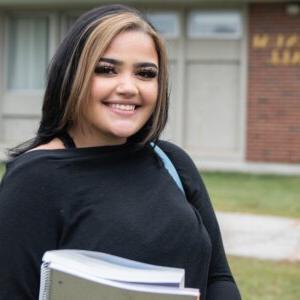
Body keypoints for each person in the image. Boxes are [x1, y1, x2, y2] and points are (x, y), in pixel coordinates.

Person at [0, 4, 241, 300]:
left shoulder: (172, 162)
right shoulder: (34, 178)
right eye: (106, 70)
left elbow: (218, 278)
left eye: (145, 73)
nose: (129, 87)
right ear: (72, 76)